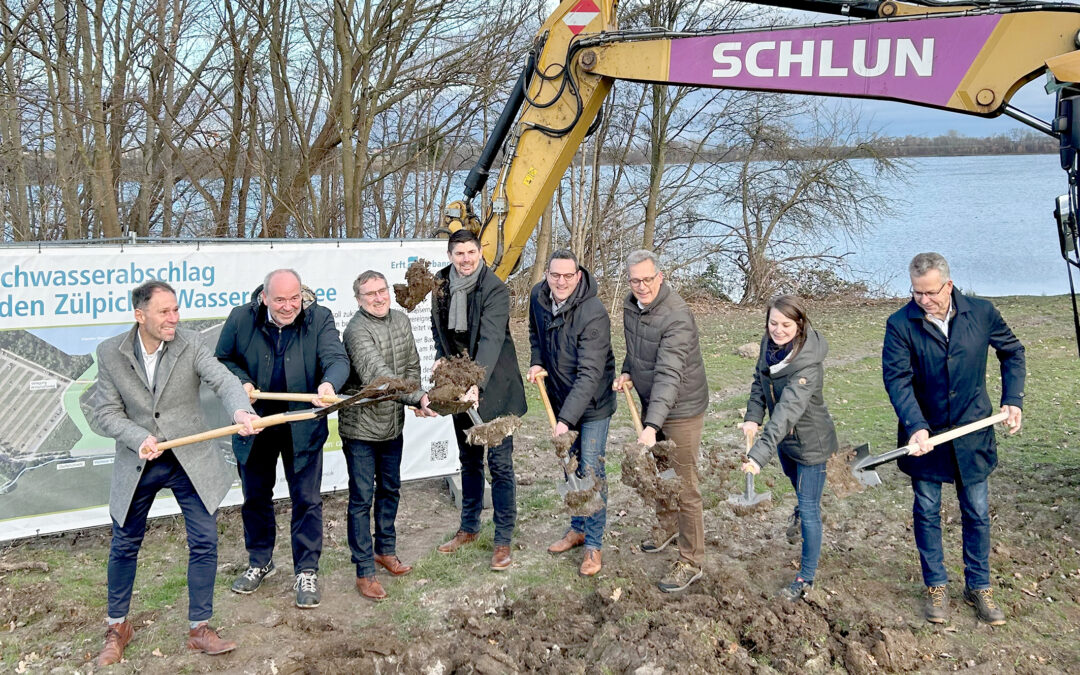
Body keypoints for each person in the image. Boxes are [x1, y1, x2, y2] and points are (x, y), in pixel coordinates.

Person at [89, 280, 259, 666]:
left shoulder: (190, 343)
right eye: (164, 312)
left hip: (189, 458)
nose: (174, 318)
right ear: (140, 315)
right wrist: (138, 437)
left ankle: (200, 628)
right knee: (124, 544)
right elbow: (105, 413)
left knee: (204, 540)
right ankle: (118, 626)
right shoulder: (110, 353)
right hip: (140, 458)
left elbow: (224, 380)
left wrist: (240, 412)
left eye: (176, 310)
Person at [882, 252, 1025, 626]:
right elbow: (896, 379)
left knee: (976, 511)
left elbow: (1013, 353)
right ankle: (936, 585)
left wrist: (1013, 399)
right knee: (927, 510)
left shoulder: (981, 313)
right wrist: (915, 424)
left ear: (948, 284)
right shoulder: (900, 324)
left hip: (973, 432)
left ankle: (978, 585)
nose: (923, 301)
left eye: (930, 293)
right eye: (916, 293)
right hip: (924, 436)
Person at [215, 269, 350, 608]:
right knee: (255, 497)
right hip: (255, 423)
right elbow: (222, 360)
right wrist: (241, 382)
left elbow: (336, 358)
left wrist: (328, 385)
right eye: (280, 300)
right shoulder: (241, 319)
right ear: (264, 297)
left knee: (306, 499)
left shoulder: (319, 318)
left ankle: (306, 569)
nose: (290, 306)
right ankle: (260, 561)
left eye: (295, 299)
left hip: (300, 423)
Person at [431, 229, 527, 571]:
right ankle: (469, 528)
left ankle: (502, 541)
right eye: (459, 254)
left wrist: (477, 382)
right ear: (450, 255)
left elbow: (490, 338)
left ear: (480, 252)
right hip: (460, 384)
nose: (466, 259)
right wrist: (444, 358)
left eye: (471, 252)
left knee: (500, 465)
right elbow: (437, 327)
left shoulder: (495, 289)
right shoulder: (440, 284)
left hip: (495, 385)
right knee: (468, 459)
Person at [614, 249, 709, 592]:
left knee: (684, 485)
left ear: (661, 277)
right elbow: (637, 348)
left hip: (681, 407)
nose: (641, 286)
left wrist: (651, 427)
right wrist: (627, 371)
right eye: (635, 280)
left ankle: (692, 560)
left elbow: (669, 374)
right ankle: (668, 525)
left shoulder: (677, 316)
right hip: (651, 402)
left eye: (648, 279)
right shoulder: (630, 305)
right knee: (663, 473)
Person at [340, 270, 436, 600]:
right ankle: (364, 569)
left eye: (382, 291)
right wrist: (417, 397)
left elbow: (412, 366)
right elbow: (378, 377)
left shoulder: (400, 321)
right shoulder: (355, 330)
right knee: (362, 497)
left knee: (391, 489)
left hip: (392, 423)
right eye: (370, 294)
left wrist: (418, 394)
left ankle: (385, 550)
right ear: (359, 300)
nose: (379, 298)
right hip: (361, 428)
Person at [739, 295, 839, 601]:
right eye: (773, 323)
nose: (778, 330)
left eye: (786, 324)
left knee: (810, 508)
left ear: (800, 325)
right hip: (787, 444)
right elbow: (760, 381)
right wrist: (753, 417)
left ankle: (805, 578)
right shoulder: (768, 347)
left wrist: (757, 456)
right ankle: (800, 509)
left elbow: (785, 413)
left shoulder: (807, 365)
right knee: (801, 495)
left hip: (812, 445)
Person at [527, 249, 617, 577]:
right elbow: (535, 334)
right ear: (547, 275)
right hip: (560, 397)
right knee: (570, 467)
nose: (561, 281)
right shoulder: (539, 298)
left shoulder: (593, 313)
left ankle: (593, 545)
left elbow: (591, 374)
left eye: (568, 275)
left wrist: (566, 420)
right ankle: (577, 529)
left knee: (590, 471)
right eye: (555, 275)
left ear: (578, 276)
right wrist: (537, 361)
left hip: (593, 404)